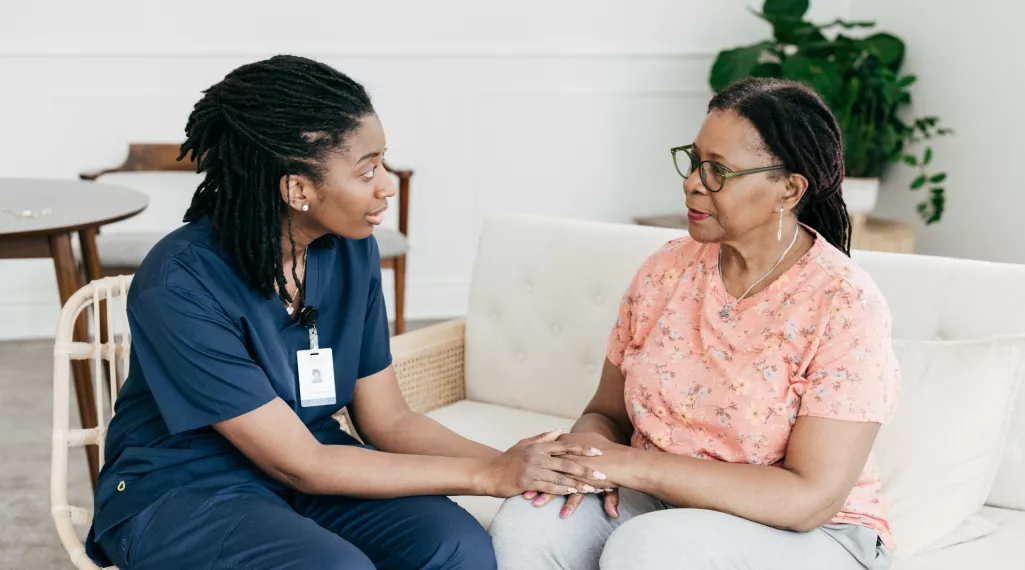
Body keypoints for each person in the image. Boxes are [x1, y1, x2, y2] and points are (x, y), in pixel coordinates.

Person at [85, 55, 607, 570]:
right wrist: (489, 475)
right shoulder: (180, 281)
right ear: (297, 188)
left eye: (383, 161)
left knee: (456, 547)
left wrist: (517, 461)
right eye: (367, 171)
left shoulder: (351, 249)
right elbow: (300, 465)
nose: (387, 185)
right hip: (185, 488)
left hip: (314, 461)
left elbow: (391, 422)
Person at [489, 77, 900, 569]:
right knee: (527, 524)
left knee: (649, 550)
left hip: (810, 534)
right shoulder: (666, 269)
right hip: (659, 500)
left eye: (718, 170)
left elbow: (809, 498)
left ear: (787, 190)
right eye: (693, 160)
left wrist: (634, 466)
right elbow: (607, 414)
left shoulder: (844, 304)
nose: (692, 182)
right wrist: (590, 459)